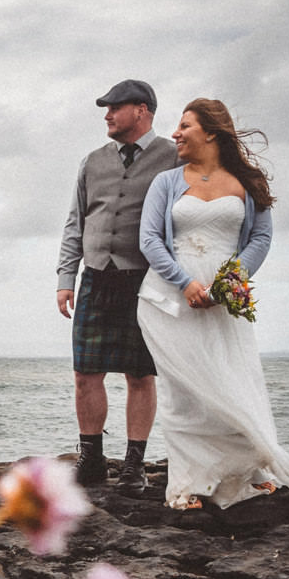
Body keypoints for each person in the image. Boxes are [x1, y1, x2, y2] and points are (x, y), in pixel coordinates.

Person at [135, 98, 289, 510]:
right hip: (169, 300)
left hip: (225, 301)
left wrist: (227, 285)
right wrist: (186, 283)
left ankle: (245, 471)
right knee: (184, 392)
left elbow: (260, 239)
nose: (175, 134)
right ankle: (186, 485)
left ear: (211, 132)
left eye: (184, 126)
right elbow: (149, 240)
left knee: (232, 380)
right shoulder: (166, 183)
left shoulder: (246, 184)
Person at [56, 79, 180, 492]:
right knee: (84, 372)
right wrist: (65, 278)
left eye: (114, 107)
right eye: (106, 109)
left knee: (140, 375)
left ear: (142, 110)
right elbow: (76, 222)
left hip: (144, 279)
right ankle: (91, 459)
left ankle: (134, 464)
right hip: (95, 276)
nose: (107, 115)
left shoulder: (174, 157)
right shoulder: (92, 161)